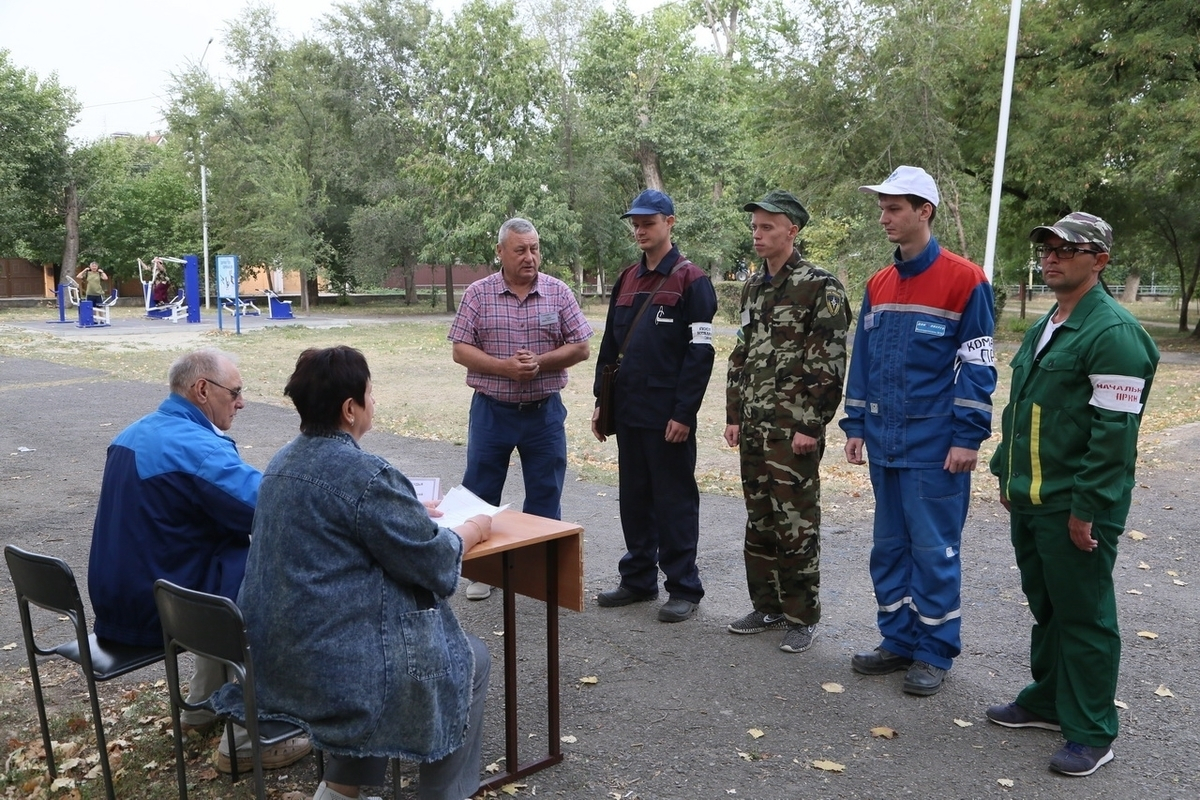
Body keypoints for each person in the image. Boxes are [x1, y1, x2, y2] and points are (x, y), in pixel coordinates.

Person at [223, 346, 494, 800]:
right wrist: (473, 528)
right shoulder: (367, 476)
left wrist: (404, 512)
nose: (374, 402)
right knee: (468, 658)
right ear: (350, 409)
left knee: (375, 651)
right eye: (370, 394)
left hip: (274, 655)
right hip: (334, 669)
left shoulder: (281, 463)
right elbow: (433, 561)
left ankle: (342, 789)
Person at [986, 213, 1158, 777]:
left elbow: (1114, 436)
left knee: (1084, 616)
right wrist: (1007, 473)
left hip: (1076, 504)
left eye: (1067, 248)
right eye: (1047, 247)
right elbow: (1024, 413)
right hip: (1034, 498)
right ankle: (1047, 701)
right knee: (1049, 607)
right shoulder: (1049, 324)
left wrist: (1089, 507)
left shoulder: (1114, 334)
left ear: (1100, 260)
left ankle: (1091, 731)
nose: (1051, 256)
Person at [87, 347, 310, 772]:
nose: (242, 402)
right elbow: (269, 506)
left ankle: (202, 706)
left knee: (226, 560)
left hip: (121, 599)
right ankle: (248, 740)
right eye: (236, 392)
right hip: (159, 609)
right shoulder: (193, 447)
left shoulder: (135, 431)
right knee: (266, 575)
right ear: (203, 389)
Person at [839, 166, 996, 696]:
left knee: (934, 551)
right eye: (882, 209)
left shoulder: (965, 279)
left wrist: (968, 436)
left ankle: (934, 651)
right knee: (889, 547)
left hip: (936, 448)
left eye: (894, 209)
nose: (884, 218)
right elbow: (861, 360)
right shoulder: (877, 285)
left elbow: (978, 365)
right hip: (885, 444)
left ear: (924, 212)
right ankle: (898, 640)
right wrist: (855, 423)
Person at [724, 191, 850, 653]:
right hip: (755, 426)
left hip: (793, 429)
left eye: (767, 227)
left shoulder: (820, 287)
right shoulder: (754, 287)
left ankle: (801, 616)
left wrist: (811, 426)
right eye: (754, 227)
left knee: (795, 522)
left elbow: (829, 365)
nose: (758, 235)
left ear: (792, 231)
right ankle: (767, 605)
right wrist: (733, 414)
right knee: (759, 519)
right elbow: (741, 353)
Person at [448, 217, 592, 600]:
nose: (530, 257)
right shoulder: (478, 294)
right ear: (500, 252)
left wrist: (539, 363)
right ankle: (483, 571)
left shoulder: (558, 293)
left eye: (535, 248)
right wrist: (504, 368)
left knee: (545, 492)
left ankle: (538, 571)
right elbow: (460, 349)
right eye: (520, 250)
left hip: (544, 413)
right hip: (492, 412)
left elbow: (581, 346)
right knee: (480, 491)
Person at [591, 189, 718, 623]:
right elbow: (610, 347)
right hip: (628, 412)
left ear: (670, 222)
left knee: (674, 501)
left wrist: (684, 413)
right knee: (635, 498)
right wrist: (599, 404)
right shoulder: (626, 279)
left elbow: (701, 354)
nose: (640, 229)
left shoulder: (692, 281)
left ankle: (684, 586)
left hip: (668, 418)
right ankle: (638, 579)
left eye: (649, 222)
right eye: (636, 223)